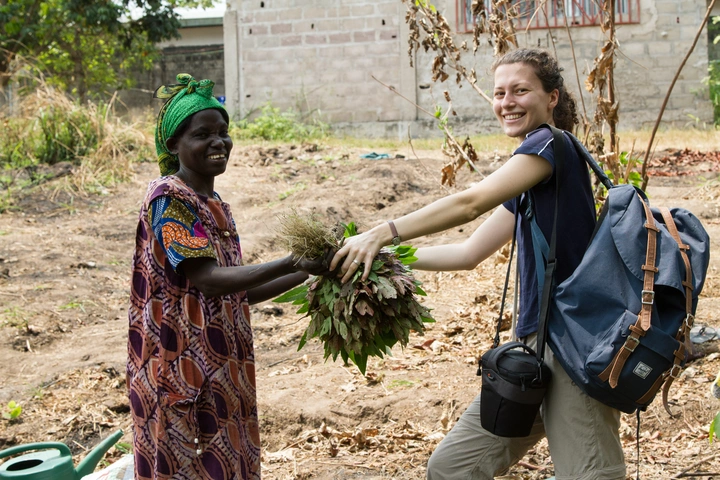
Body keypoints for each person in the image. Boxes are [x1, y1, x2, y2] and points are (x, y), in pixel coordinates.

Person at [330, 48, 626, 479]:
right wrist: (385, 261)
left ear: (553, 98)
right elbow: (469, 252)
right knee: (453, 468)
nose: (507, 101)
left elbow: (469, 203)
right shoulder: (533, 178)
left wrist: (382, 231)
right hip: (532, 352)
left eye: (521, 90)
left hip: (574, 347)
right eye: (499, 92)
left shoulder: (549, 146)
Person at [127, 74, 330, 480]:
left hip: (221, 368)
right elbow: (210, 280)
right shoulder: (170, 199)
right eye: (203, 134)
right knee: (188, 464)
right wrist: (293, 260)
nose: (219, 142)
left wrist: (310, 272)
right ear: (173, 145)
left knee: (225, 461)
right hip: (180, 369)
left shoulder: (214, 203)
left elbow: (240, 291)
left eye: (224, 132)